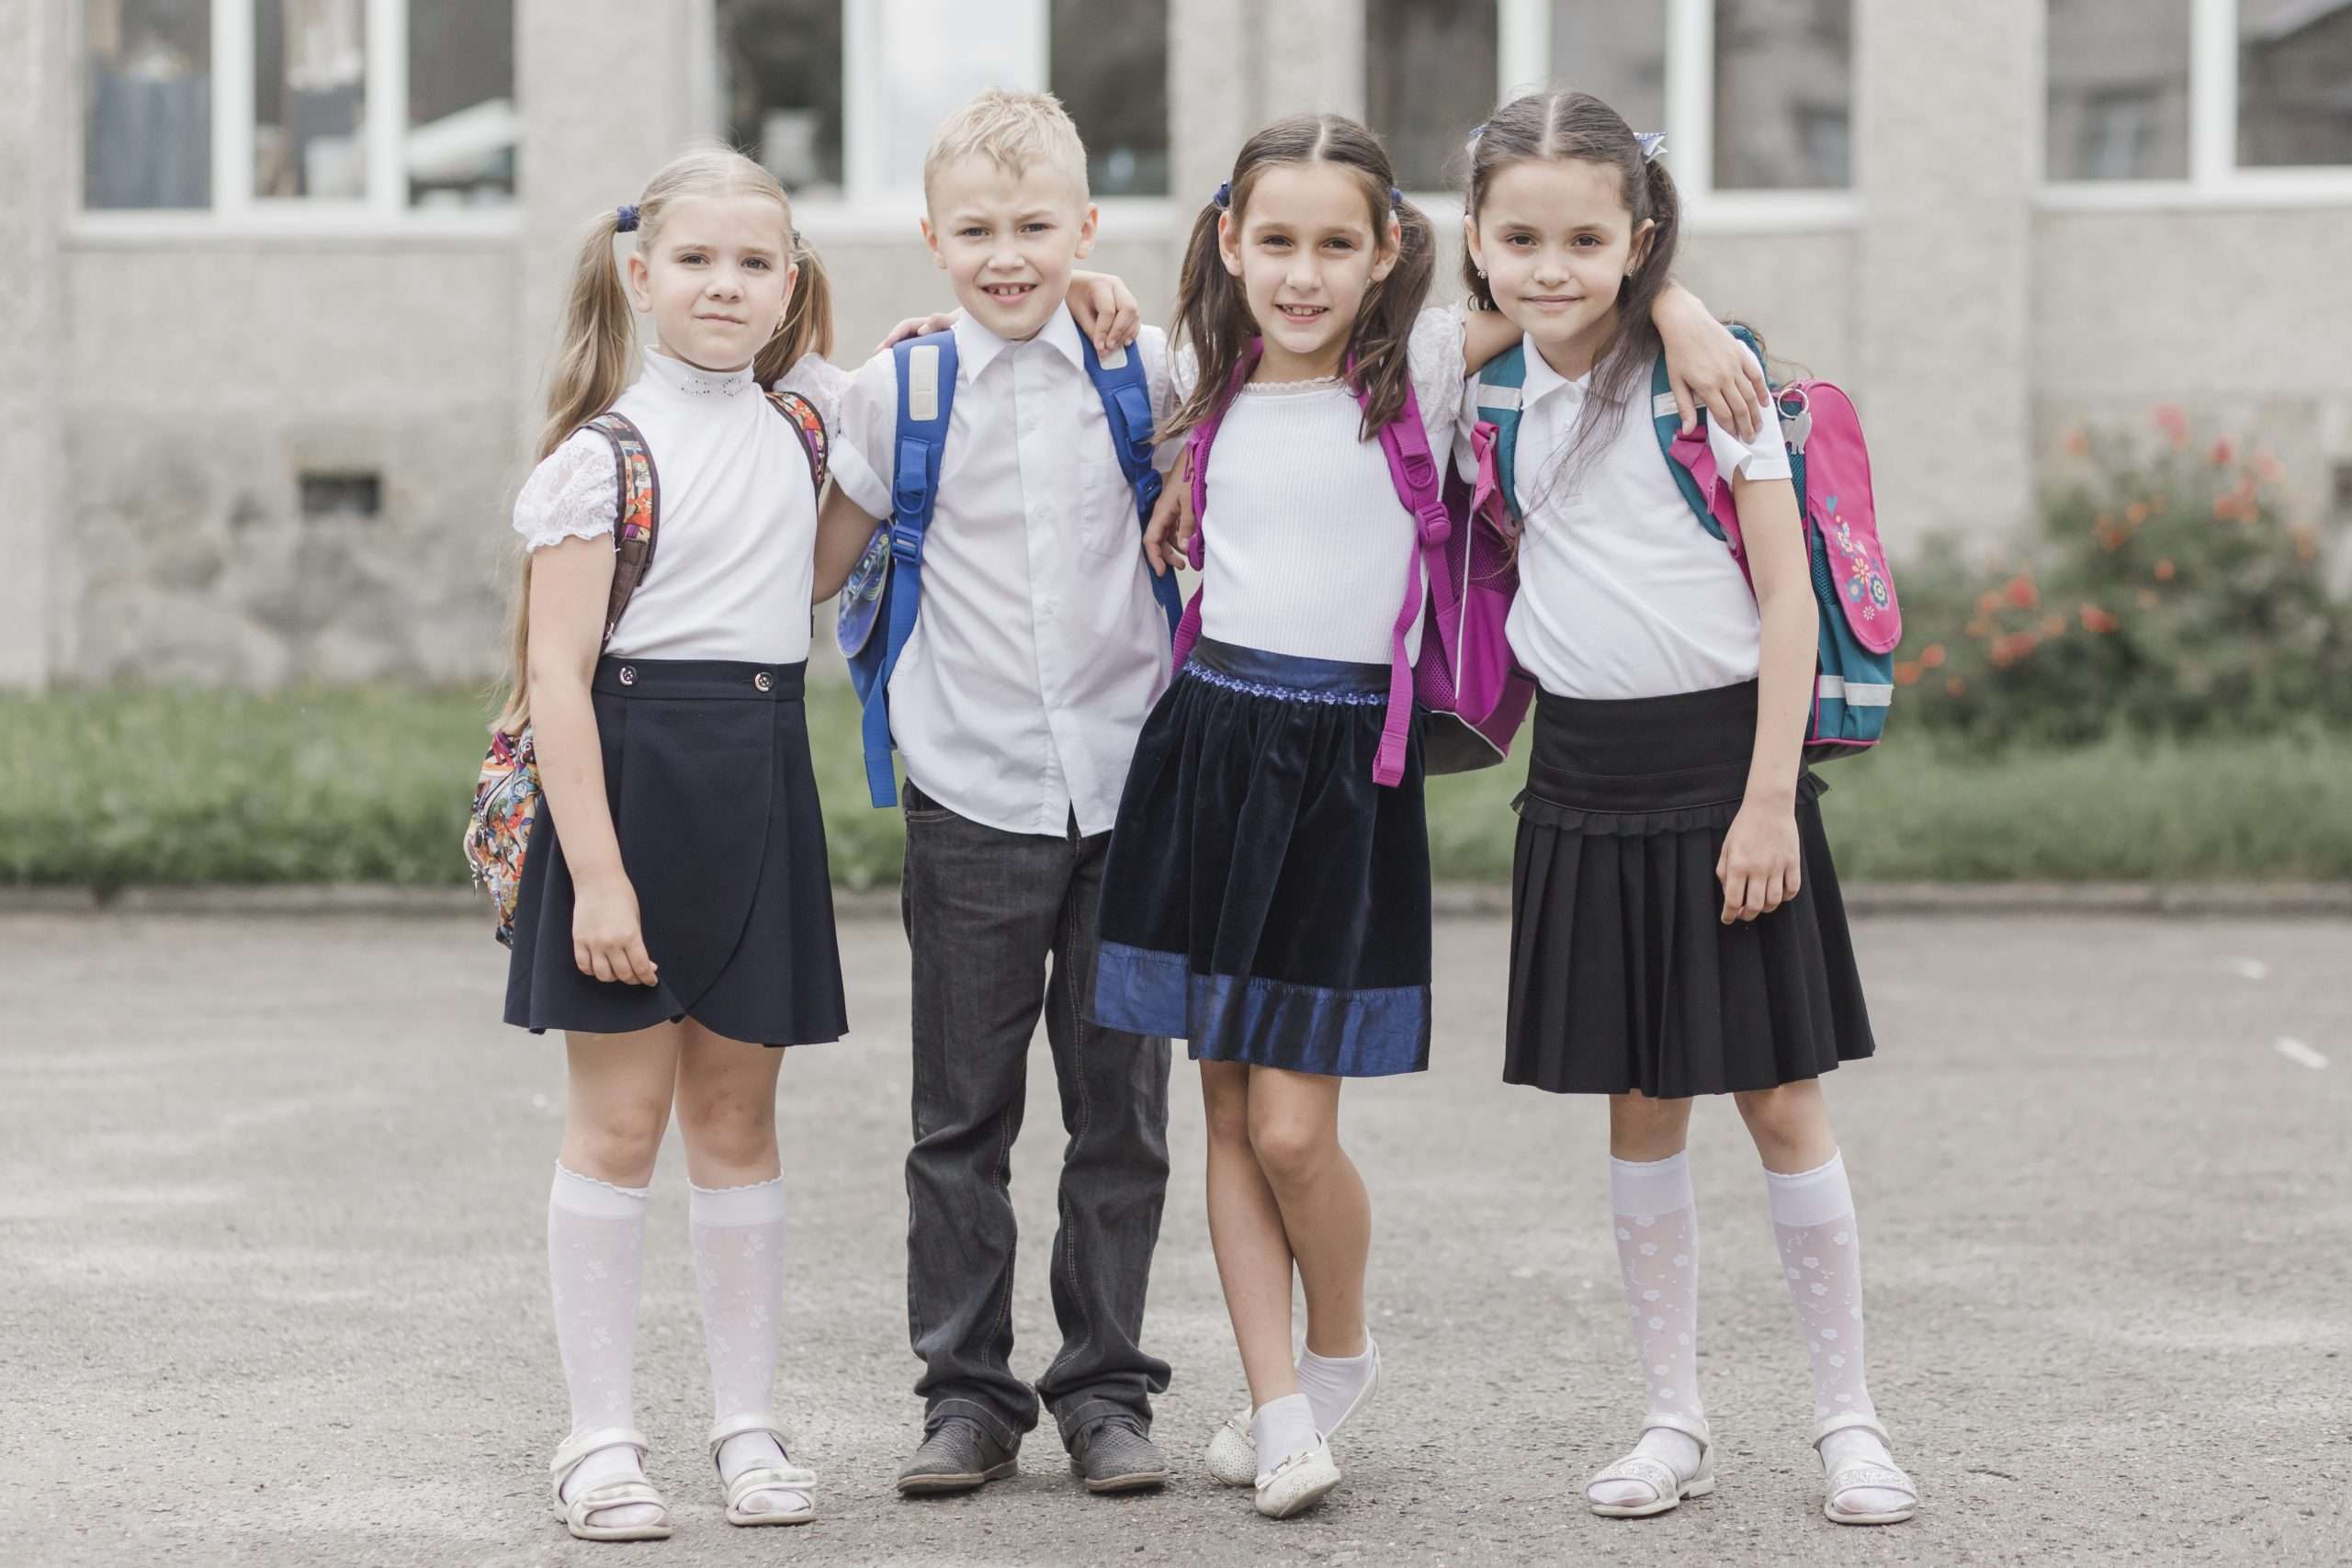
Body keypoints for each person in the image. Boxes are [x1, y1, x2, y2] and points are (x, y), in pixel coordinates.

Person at [1091, 109, 1769, 1520]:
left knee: (1290, 1130)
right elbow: (1031, 306)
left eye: (1338, 245)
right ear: (1228, 240)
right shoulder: (1194, 380)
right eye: (1274, 241)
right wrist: (1088, 287)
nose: (1303, 273)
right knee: (1218, 1104)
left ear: (1392, 251)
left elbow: (1568, 276)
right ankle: (1278, 1409)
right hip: (1207, 747)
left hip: (1346, 770)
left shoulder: (1434, 372)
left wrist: (1686, 303)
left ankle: (1337, 1353)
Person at [1460, 89, 1916, 1526]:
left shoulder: (1711, 385)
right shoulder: (1475, 386)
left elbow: (1785, 597)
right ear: (1473, 241)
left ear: (1638, 237)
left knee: (1781, 1101)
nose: (1551, 265)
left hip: (1731, 775)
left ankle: (1848, 1419)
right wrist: (1675, 300)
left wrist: (1770, 801)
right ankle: (1673, 1418)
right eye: (1518, 236)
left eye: (1586, 239)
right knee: (1641, 1106)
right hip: (1584, 783)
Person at [813, 89, 1182, 1498]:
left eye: (1038, 226)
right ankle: (967, 1395)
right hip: (968, 792)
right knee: (959, 1120)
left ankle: (1105, 1391)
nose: (1008, 253)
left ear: (1088, 228)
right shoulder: (895, 390)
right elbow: (810, 559)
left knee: (1121, 1115)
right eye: (977, 229)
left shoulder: (1147, 369)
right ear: (931, 238)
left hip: (1129, 784)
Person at [498, 144, 853, 1540]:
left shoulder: (808, 426)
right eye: (696, 260)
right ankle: (597, 1440)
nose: (725, 284)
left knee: (738, 1119)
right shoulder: (601, 460)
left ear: (790, 287)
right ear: (640, 276)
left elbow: (805, 574)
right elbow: (557, 683)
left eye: (755, 262)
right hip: (629, 793)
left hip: (761, 780)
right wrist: (595, 870)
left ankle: (747, 1430)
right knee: (623, 1119)